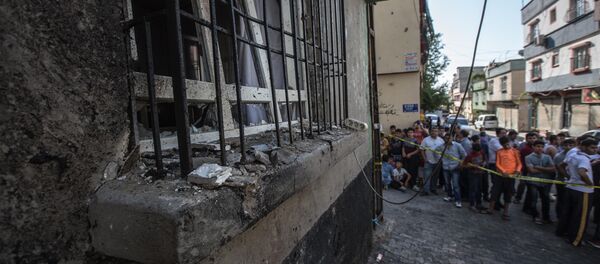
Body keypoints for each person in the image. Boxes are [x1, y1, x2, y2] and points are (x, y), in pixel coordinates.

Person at [556, 138, 598, 247]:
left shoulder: (573, 154)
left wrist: (569, 177)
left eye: (595, 147)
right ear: (584, 147)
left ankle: (561, 232)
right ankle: (576, 239)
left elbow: (561, 166)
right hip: (583, 191)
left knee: (568, 212)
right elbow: (582, 172)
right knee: (581, 217)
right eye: (592, 147)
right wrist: (589, 183)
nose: (595, 150)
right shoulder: (583, 158)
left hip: (572, 188)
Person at [486, 136, 522, 220]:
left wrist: (517, 170)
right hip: (500, 176)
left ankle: (506, 212)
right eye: (504, 144)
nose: (506, 146)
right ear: (501, 144)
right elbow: (497, 164)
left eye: (508, 144)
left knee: (508, 194)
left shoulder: (515, 151)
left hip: (510, 176)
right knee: (495, 192)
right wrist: (503, 171)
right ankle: (490, 209)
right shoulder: (499, 152)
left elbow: (519, 163)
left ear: (510, 143)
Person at [525, 140, 556, 224]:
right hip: (533, 182)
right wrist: (546, 169)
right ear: (533, 147)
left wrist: (538, 167)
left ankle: (546, 217)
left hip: (544, 182)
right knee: (533, 200)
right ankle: (536, 216)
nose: (540, 148)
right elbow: (531, 170)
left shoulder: (547, 157)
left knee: (545, 200)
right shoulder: (528, 157)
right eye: (538, 146)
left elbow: (553, 169)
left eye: (542, 147)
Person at [436, 133, 467, 208]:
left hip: (455, 167)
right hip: (446, 167)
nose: (448, 139)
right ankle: (449, 196)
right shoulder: (441, 146)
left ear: (452, 138)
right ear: (444, 139)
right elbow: (436, 151)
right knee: (447, 183)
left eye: (449, 138)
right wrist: (440, 159)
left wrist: (461, 162)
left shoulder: (457, 145)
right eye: (446, 138)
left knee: (456, 185)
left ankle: (458, 200)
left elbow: (464, 155)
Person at [515, 132, 538, 210]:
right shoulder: (524, 148)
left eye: (534, 138)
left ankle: (529, 202)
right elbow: (519, 159)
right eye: (530, 138)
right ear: (527, 139)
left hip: (534, 170)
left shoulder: (538, 148)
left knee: (531, 187)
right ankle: (518, 198)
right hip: (524, 169)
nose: (532, 140)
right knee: (522, 184)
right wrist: (519, 169)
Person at [554, 139, 577, 219]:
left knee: (569, 201)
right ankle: (560, 216)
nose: (568, 147)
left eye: (571, 145)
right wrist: (568, 177)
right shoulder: (559, 156)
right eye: (566, 145)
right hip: (562, 180)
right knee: (561, 199)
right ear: (562, 146)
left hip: (572, 182)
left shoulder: (576, 155)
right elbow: (559, 169)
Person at [420, 127, 445, 196]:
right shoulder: (425, 140)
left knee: (435, 176)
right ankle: (426, 190)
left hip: (438, 162)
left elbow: (444, 151)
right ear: (430, 132)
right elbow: (422, 149)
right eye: (433, 131)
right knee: (427, 176)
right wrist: (424, 158)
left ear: (438, 132)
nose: (434, 132)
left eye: (436, 131)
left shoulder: (441, 140)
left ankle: (433, 189)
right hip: (428, 161)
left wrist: (441, 160)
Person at [463, 142, 487, 212]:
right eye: (476, 151)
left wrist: (483, 164)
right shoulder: (469, 155)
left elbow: (485, 160)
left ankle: (479, 204)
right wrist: (471, 166)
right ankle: (472, 204)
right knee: (473, 190)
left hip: (480, 173)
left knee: (479, 189)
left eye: (478, 151)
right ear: (473, 150)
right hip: (472, 174)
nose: (477, 153)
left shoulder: (482, 152)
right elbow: (463, 165)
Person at [487, 128, 507, 205]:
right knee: (496, 184)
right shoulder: (494, 141)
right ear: (497, 134)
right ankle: (494, 201)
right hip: (494, 164)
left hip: (503, 165)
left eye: (505, 133)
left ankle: (497, 201)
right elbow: (502, 150)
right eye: (502, 133)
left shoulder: (504, 141)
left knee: (501, 185)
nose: (504, 135)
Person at [455, 130, 472, 200]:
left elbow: (465, 155)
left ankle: (465, 196)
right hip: (462, 163)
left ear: (462, 134)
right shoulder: (462, 141)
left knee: (464, 181)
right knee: (462, 180)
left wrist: (462, 164)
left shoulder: (466, 142)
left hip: (464, 164)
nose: (458, 134)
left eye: (459, 133)